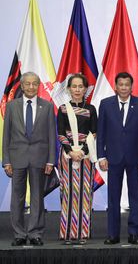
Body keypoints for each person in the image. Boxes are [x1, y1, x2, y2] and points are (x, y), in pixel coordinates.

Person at [2, 72, 56, 247]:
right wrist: (6, 161)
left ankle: (35, 233)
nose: (31, 87)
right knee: (17, 197)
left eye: (34, 84)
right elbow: (6, 136)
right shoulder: (11, 106)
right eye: (27, 84)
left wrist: (50, 161)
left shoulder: (47, 106)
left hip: (39, 159)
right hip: (17, 158)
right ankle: (19, 233)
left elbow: (51, 135)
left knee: (37, 197)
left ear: (38, 86)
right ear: (22, 86)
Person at [97, 72, 138, 245]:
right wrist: (101, 156)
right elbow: (101, 132)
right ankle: (113, 234)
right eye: (121, 84)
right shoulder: (105, 104)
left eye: (127, 84)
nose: (124, 87)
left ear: (132, 86)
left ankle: (134, 233)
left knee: (135, 197)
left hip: (135, 158)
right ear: (116, 86)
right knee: (113, 198)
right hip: (113, 158)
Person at [57, 73, 98, 244]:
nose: (77, 90)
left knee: (85, 194)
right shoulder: (62, 109)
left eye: (81, 86)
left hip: (86, 156)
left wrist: (82, 151)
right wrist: (71, 152)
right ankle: (67, 233)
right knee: (68, 193)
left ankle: (82, 233)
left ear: (85, 89)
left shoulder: (91, 109)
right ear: (69, 89)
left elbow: (93, 133)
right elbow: (60, 133)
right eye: (74, 86)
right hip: (67, 156)